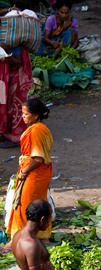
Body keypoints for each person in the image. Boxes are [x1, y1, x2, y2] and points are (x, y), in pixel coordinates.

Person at [0, 98, 54, 253]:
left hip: (34, 173)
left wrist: (24, 171)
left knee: (23, 205)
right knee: (41, 202)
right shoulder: (42, 128)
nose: (22, 117)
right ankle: (44, 237)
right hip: (43, 173)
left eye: (26, 114)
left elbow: (38, 158)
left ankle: (14, 242)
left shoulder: (36, 131)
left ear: (35, 115)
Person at [0, 5, 33, 147]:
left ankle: (15, 139)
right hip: (7, 80)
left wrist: (6, 51)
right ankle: (5, 133)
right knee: (6, 105)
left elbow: (18, 61)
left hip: (16, 78)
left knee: (15, 107)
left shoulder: (13, 41)